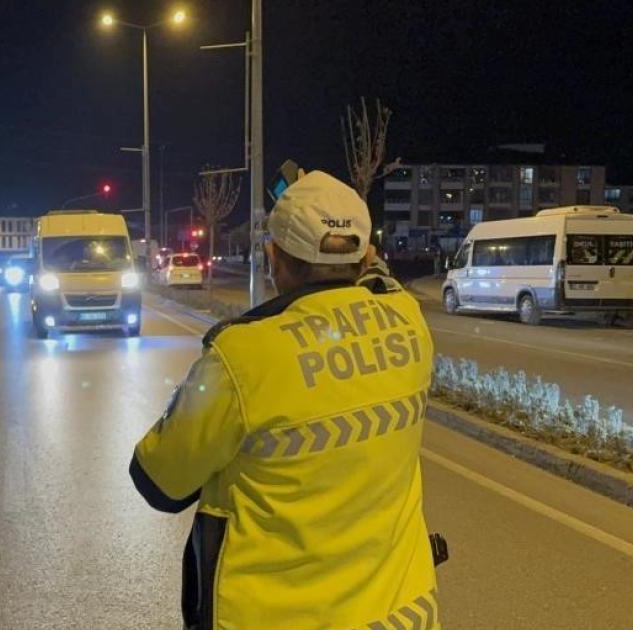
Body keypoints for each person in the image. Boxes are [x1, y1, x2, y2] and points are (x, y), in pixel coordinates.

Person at [130, 171, 440, 630]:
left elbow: (159, 480)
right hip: (403, 616)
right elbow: (380, 279)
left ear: (274, 260)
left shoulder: (243, 356)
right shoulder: (408, 321)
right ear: (365, 254)